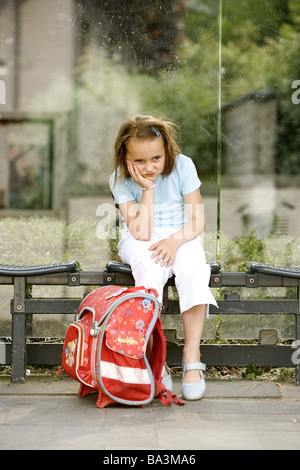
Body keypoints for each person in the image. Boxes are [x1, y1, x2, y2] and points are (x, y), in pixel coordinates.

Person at [109, 114, 218, 400]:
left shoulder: (183, 166)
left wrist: (174, 241)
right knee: (149, 272)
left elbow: (197, 221)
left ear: (167, 149)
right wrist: (148, 189)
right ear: (126, 157)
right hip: (141, 236)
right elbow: (141, 232)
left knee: (194, 267)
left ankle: (191, 354)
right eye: (140, 161)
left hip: (182, 234)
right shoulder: (120, 178)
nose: (149, 167)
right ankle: (156, 358)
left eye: (156, 158)